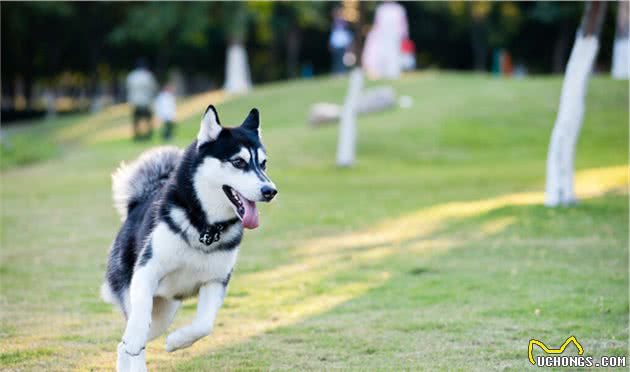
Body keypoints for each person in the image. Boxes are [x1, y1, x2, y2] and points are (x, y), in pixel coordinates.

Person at [362, 1, 409, 79]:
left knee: (394, 54)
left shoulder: (399, 9)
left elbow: (403, 24)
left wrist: (404, 36)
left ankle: (392, 72)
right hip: (382, 36)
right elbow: (377, 24)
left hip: (395, 36)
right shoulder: (381, 9)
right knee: (382, 53)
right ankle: (381, 72)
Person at [126, 59, 157, 140]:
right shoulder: (148, 75)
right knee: (148, 119)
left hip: (135, 101)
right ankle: (147, 135)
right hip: (146, 101)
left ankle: (137, 136)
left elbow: (128, 88)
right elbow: (153, 88)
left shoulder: (131, 76)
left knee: (136, 120)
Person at [329, 7, 353, 75]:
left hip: (343, 44)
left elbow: (346, 34)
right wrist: (331, 44)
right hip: (336, 44)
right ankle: (336, 72)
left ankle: (342, 71)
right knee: (336, 59)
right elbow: (333, 35)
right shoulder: (334, 24)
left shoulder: (344, 23)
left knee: (343, 59)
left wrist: (348, 43)